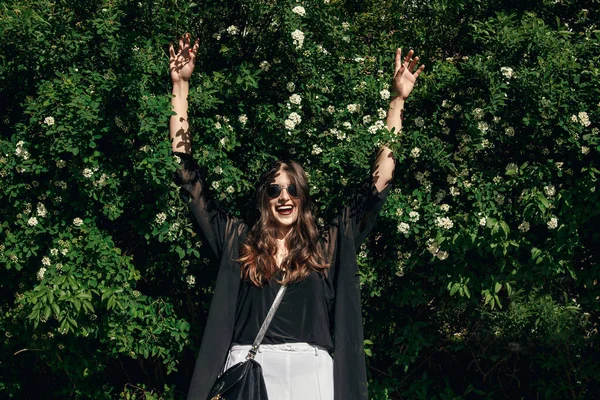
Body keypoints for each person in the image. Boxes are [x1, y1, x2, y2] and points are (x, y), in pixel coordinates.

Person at [169, 33, 424, 400]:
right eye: (274, 190)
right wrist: (181, 86)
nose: (284, 197)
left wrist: (397, 101)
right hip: (249, 376)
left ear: (303, 197)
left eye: (292, 189)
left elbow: (378, 183)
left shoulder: (326, 245)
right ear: (264, 198)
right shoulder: (238, 240)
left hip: (311, 376)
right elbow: (188, 178)